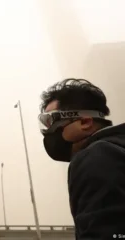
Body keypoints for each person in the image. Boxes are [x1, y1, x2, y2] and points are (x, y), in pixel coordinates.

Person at [39, 78, 125, 239]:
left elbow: (105, 232)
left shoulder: (97, 157)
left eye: (51, 121)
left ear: (85, 122)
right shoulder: (118, 149)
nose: (47, 131)